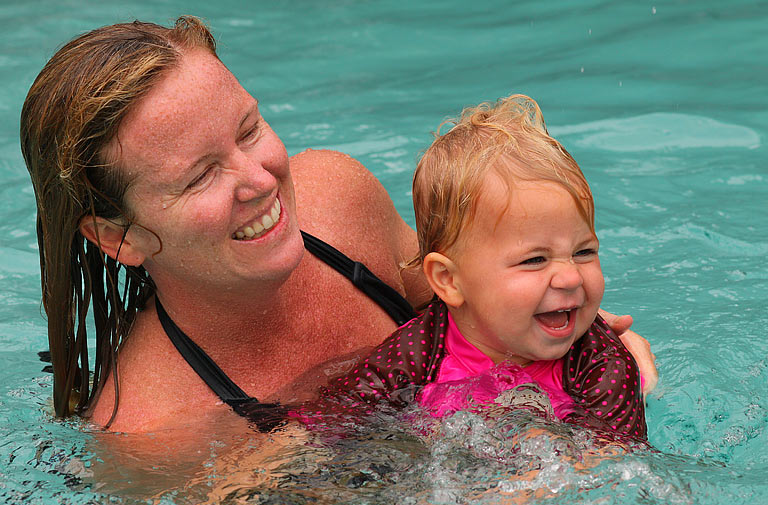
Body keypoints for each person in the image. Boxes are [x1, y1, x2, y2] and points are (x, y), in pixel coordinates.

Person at [20, 17, 655, 434]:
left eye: (249, 130)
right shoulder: (150, 432)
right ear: (117, 238)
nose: (262, 178)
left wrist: (596, 353)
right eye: (201, 176)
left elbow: (482, 293)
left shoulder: (336, 200)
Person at [321, 95, 646, 438]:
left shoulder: (601, 363)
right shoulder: (418, 351)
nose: (570, 277)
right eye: (535, 259)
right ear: (448, 281)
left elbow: (613, 462)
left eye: (584, 252)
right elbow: (335, 419)